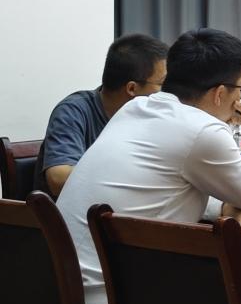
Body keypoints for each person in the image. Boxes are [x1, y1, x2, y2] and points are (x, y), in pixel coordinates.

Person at [56, 28, 241, 304]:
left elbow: (163, 189)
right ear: (219, 93)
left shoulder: (136, 108)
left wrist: (227, 203)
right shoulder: (203, 131)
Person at [37, 33, 169, 196]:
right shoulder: (73, 111)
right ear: (132, 89)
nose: (168, 92)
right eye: (162, 84)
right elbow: (58, 179)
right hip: (71, 210)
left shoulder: (153, 116)